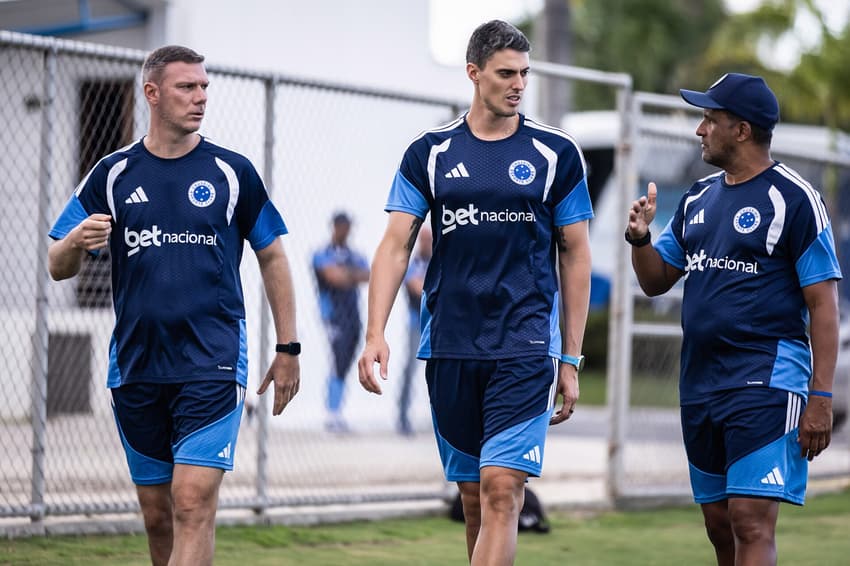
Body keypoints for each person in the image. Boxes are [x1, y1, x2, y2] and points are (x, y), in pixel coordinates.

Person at [46, 45, 300, 566]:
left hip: (211, 360)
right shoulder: (113, 174)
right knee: (159, 515)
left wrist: (288, 346)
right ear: (153, 93)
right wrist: (75, 242)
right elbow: (56, 264)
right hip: (137, 365)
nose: (201, 97)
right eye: (188, 87)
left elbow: (273, 256)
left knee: (192, 501)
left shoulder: (232, 172)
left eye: (205, 86)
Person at [358, 20, 593, 565]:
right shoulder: (431, 152)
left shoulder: (556, 153)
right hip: (451, 345)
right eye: (506, 73)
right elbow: (395, 245)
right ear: (474, 73)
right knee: (472, 501)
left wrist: (571, 355)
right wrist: (376, 333)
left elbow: (576, 253)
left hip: (525, 344)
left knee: (502, 492)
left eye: (524, 74)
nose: (517, 84)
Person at [626, 73, 841, 566]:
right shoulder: (698, 199)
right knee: (720, 524)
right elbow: (657, 280)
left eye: (710, 119)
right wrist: (640, 238)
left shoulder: (794, 199)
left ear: (741, 130)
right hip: (700, 381)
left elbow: (823, 304)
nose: (700, 129)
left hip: (765, 379)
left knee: (749, 518)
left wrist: (821, 397)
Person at [313, 211, 370, 432]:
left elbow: (369, 274)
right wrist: (350, 275)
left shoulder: (353, 254)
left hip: (353, 315)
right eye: (343, 226)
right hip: (333, 317)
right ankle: (331, 413)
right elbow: (332, 277)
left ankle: (337, 411)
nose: (346, 231)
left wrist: (346, 275)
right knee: (337, 361)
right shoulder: (321, 253)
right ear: (335, 227)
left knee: (346, 363)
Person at [397, 225, 432, 436]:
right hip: (416, 323)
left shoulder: (438, 260)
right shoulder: (414, 263)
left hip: (438, 324)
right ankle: (402, 416)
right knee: (410, 369)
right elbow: (415, 286)